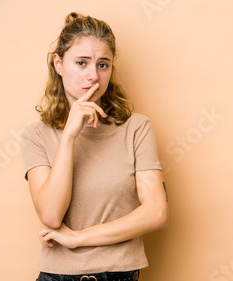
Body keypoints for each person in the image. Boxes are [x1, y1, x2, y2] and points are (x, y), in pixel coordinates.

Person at [19, 12, 168, 281]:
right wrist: (68, 137)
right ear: (58, 63)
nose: (93, 76)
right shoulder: (36, 135)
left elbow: (156, 213)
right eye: (81, 63)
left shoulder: (136, 128)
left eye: (103, 65)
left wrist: (78, 238)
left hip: (119, 274)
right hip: (57, 276)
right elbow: (51, 216)